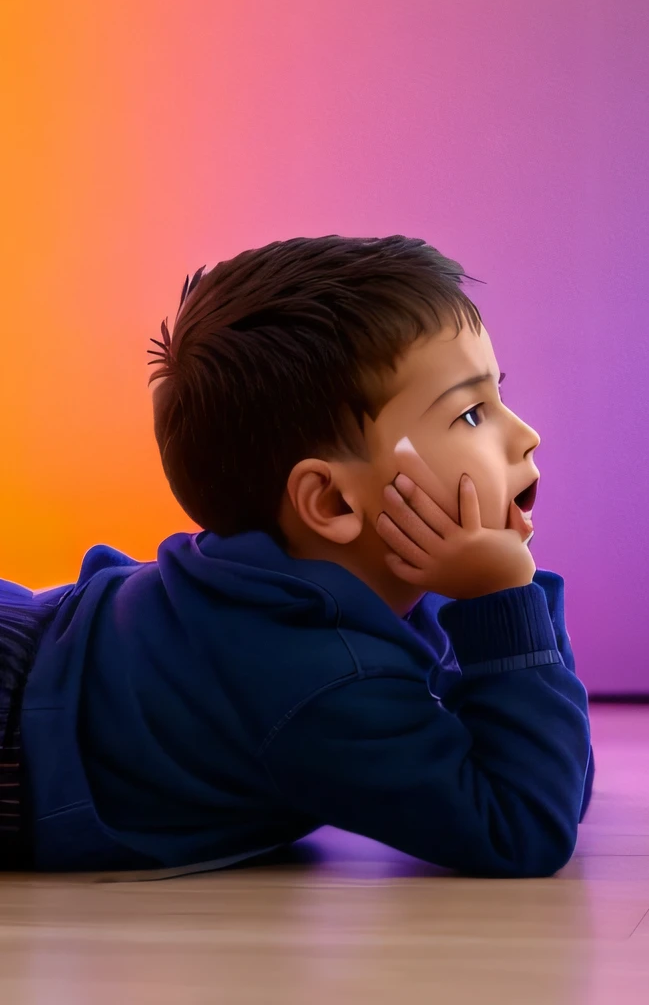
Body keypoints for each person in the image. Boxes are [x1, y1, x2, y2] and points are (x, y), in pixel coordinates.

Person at [0, 235, 592, 876]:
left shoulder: (344, 592)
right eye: (473, 414)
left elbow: (552, 770)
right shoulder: (320, 679)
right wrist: (503, 602)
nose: (526, 434)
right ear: (334, 503)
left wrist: (498, 596)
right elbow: (524, 824)